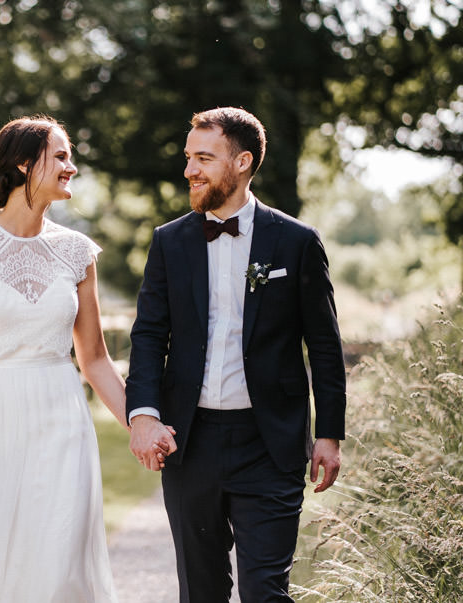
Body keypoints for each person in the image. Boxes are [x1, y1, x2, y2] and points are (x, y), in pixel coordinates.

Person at [0, 115, 176, 602]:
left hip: (61, 416)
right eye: (60, 156)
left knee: (60, 554)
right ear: (23, 164)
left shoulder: (77, 252)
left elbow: (95, 359)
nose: (71, 167)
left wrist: (140, 423)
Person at [126, 106, 346, 602]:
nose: (189, 170)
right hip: (190, 442)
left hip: (271, 444)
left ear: (242, 161)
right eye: (188, 157)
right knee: (201, 592)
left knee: (266, 592)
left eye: (204, 158)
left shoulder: (296, 241)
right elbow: (148, 336)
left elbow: (325, 346)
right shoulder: (169, 242)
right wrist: (143, 414)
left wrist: (330, 433)